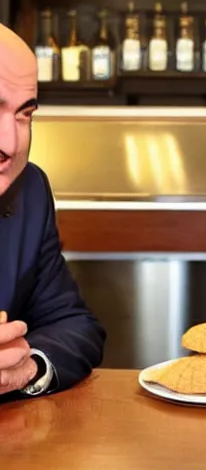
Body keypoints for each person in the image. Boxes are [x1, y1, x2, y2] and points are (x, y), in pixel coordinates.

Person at [0, 23, 106, 401]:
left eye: (24, 115)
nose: (10, 144)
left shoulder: (29, 191)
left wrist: (26, 368)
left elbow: (73, 325)